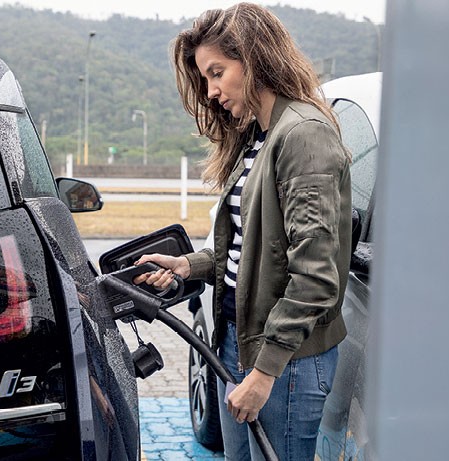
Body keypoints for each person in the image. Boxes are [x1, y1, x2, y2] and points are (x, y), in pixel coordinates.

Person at [134, 3, 352, 460]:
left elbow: (315, 276)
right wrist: (187, 265)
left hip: (286, 360)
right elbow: (252, 248)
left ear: (255, 59)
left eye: (217, 72)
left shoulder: (303, 136)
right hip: (238, 340)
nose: (211, 91)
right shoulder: (258, 137)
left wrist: (264, 372)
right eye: (205, 78)